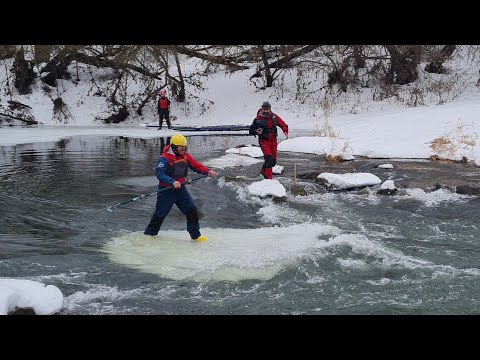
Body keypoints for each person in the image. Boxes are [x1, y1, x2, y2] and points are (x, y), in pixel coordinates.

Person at [144, 134, 216, 241]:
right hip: (167, 191)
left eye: (185, 147)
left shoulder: (185, 156)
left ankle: (195, 236)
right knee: (160, 214)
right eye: (181, 147)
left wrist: (207, 171)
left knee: (191, 210)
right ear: (174, 147)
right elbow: (160, 173)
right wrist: (172, 182)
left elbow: (195, 165)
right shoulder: (164, 158)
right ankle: (150, 235)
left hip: (181, 190)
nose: (184, 149)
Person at [249, 101, 288, 180]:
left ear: (270, 109)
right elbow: (251, 130)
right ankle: (268, 179)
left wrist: (285, 131)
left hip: (273, 141)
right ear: (262, 109)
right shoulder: (257, 119)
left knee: (272, 161)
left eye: (267, 109)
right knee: (268, 159)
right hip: (264, 141)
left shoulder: (274, 117)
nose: (266, 111)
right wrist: (256, 132)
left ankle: (262, 174)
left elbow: (282, 124)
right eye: (264, 109)